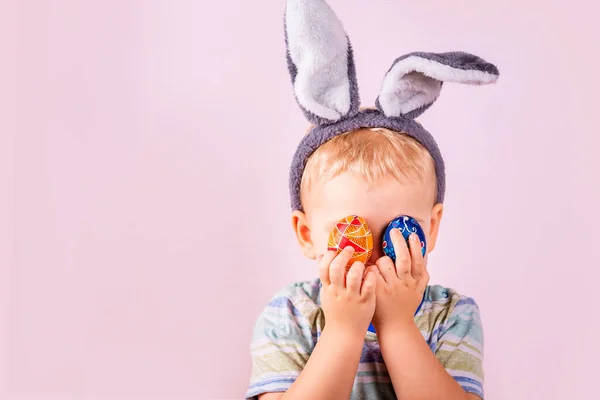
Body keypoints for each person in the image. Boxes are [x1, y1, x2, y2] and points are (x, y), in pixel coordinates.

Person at [245, 1, 499, 399]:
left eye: (400, 232)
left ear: (431, 228)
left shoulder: (452, 315)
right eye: (350, 234)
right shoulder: (291, 314)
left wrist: (397, 324)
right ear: (307, 233)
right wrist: (344, 329)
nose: (376, 259)